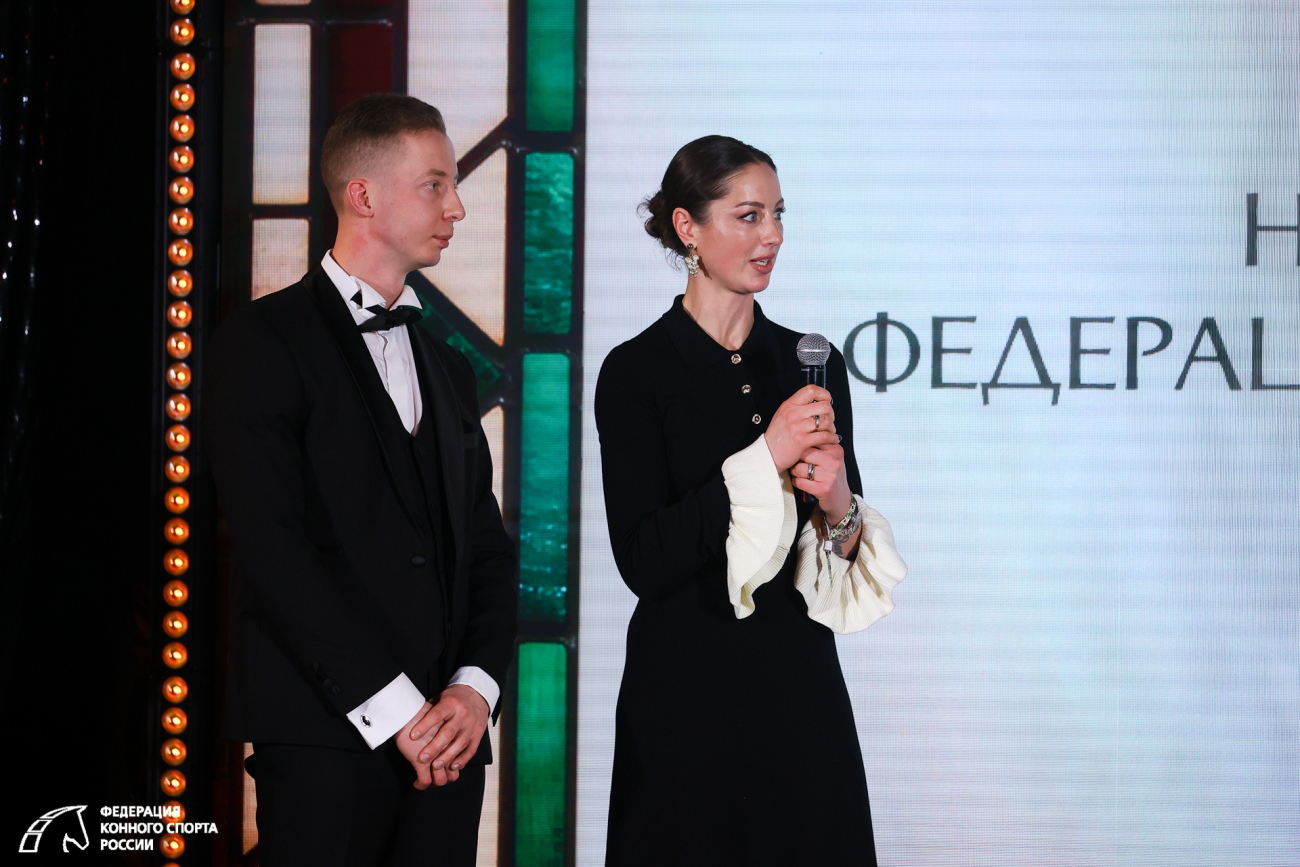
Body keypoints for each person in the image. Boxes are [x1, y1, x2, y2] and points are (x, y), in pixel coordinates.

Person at [205, 94, 517, 866]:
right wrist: (399, 710)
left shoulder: (447, 367)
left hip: (449, 747)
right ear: (364, 195)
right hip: (323, 737)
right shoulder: (261, 341)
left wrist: (474, 690)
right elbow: (275, 551)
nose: (457, 208)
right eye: (436, 184)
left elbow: (485, 549)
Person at [595, 136, 907, 866]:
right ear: (687, 227)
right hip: (684, 694)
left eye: (778, 214)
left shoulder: (809, 362)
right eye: (748, 216)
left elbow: (839, 552)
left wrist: (839, 502)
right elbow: (644, 560)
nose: (772, 236)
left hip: (798, 687)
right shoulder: (636, 370)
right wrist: (764, 457)